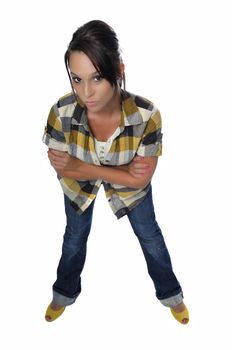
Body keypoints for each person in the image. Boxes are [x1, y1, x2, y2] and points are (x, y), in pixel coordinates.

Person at [43, 20, 189, 324]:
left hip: (128, 191)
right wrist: (119, 170)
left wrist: (82, 166)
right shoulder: (61, 111)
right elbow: (59, 163)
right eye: (76, 79)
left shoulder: (147, 115)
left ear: (118, 70)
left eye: (97, 77)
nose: (86, 91)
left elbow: (141, 179)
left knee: (150, 237)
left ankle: (171, 295)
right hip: (78, 187)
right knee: (73, 239)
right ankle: (63, 294)